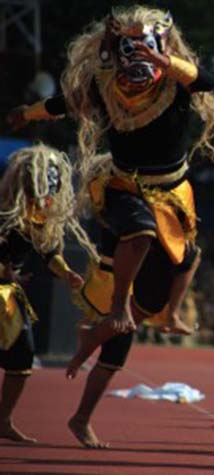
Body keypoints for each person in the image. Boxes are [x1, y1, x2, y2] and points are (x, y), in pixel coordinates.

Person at [7, 5, 214, 448]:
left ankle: (89, 395)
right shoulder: (103, 85)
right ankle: (115, 308)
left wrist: (165, 62)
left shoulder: (177, 81)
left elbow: (209, 81)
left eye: (147, 48)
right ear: (113, 52)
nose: (137, 61)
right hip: (121, 188)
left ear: (164, 49)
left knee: (164, 286)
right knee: (139, 232)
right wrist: (29, 113)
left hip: (171, 195)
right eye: (127, 49)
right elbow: (64, 104)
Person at [0, 144, 93, 443]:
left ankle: (3, 420)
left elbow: (48, 251)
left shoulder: (39, 215)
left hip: (6, 295)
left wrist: (66, 272)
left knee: (22, 355)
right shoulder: (5, 208)